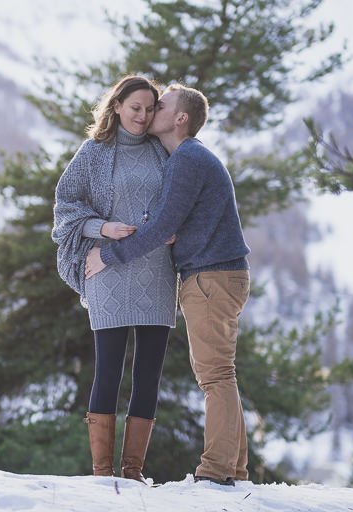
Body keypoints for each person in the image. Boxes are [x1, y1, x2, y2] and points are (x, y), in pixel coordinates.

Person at [85, 84, 252, 486]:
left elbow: (160, 226)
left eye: (161, 106)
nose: (151, 111)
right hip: (216, 274)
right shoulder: (186, 158)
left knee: (215, 376)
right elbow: (165, 222)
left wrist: (106, 255)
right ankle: (236, 469)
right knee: (220, 374)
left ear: (180, 118)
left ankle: (215, 472)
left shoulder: (186, 159)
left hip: (211, 276)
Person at [51, 75, 177, 483]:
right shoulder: (94, 152)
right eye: (134, 107)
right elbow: (65, 204)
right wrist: (101, 229)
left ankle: (133, 472)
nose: (142, 116)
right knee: (108, 369)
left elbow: (179, 202)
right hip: (105, 267)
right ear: (117, 106)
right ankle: (103, 473)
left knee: (148, 373)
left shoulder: (164, 151)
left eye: (149, 109)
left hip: (157, 270)